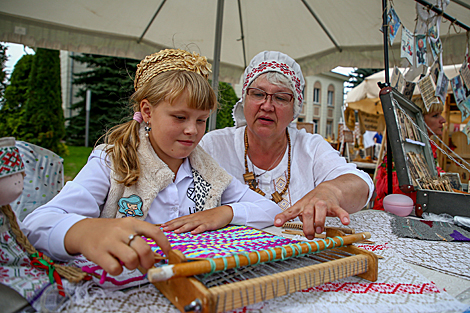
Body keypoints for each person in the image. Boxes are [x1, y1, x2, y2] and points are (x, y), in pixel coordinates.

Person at [21, 49, 282, 276]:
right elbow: (36, 225)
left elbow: (270, 211)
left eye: (201, 120)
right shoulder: (112, 162)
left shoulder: (208, 171)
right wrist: (84, 232)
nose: (193, 130)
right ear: (147, 111)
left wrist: (225, 212)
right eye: (180, 117)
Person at [200, 51, 374, 240]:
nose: (267, 106)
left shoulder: (310, 148)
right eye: (258, 94)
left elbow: (361, 185)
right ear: (244, 100)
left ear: (295, 109)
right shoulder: (213, 145)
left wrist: (330, 191)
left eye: (281, 98)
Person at [373, 96, 446, 210]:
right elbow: (399, 193)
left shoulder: (427, 148)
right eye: (435, 116)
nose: (443, 120)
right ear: (417, 120)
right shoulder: (404, 150)